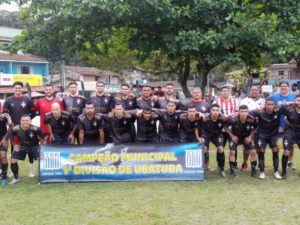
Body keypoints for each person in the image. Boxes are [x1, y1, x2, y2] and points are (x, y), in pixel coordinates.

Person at [3, 81, 36, 177]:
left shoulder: (27, 99)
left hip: (26, 128)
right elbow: (5, 114)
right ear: (13, 89)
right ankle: (13, 172)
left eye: (19, 87)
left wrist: (27, 122)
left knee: (29, 147)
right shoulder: (8, 100)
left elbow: (33, 112)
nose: (17, 89)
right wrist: (9, 122)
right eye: (16, 88)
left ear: (22, 88)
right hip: (14, 129)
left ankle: (31, 170)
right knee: (14, 148)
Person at [250, 98, 283, 179]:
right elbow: (249, 112)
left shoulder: (278, 111)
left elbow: (288, 107)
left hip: (274, 135)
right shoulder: (260, 112)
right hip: (262, 134)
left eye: (272, 105)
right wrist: (258, 108)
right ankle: (262, 171)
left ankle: (276, 171)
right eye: (268, 104)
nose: (270, 106)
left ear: (274, 106)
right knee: (261, 151)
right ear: (265, 105)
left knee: (275, 150)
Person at [10, 114, 46, 184]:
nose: (25, 122)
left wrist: (42, 146)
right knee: (12, 160)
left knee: (41, 160)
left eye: (27, 120)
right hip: (22, 146)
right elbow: (10, 138)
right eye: (23, 120)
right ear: (20, 121)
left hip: (34, 146)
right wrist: (15, 145)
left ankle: (42, 178)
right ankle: (16, 178)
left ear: (30, 121)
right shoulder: (15, 128)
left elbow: (44, 137)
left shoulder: (36, 129)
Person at [225, 105, 258, 178]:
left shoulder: (252, 119)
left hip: (246, 137)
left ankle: (253, 171)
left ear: (248, 112)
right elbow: (225, 126)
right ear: (239, 112)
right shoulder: (233, 118)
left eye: (246, 111)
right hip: (235, 137)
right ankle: (232, 171)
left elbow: (256, 128)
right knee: (232, 152)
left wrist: (250, 136)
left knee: (253, 151)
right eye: (242, 111)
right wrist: (232, 135)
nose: (244, 113)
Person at [195, 104, 227, 177]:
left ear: (219, 111)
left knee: (221, 149)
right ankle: (204, 167)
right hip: (206, 134)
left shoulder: (222, 118)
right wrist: (198, 138)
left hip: (217, 134)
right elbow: (197, 128)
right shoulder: (205, 118)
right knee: (205, 149)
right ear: (210, 111)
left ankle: (221, 169)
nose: (215, 112)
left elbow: (226, 125)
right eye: (213, 110)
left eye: (217, 110)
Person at [239, 85, 265, 172]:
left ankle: (259, 164)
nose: (254, 91)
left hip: (260, 127)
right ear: (250, 91)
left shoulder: (263, 101)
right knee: (247, 148)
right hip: (248, 128)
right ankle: (245, 163)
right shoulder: (245, 100)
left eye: (256, 90)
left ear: (259, 91)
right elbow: (241, 112)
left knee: (259, 147)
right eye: (252, 90)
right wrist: (256, 110)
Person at [271, 81, 296, 169]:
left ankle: (289, 161)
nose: (283, 87)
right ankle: (277, 161)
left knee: (290, 145)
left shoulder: (293, 97)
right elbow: (270, 106)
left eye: (285, 86)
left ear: (288, 87)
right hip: (278, 124)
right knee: (278, 144)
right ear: (279, 87)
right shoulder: (274, 97)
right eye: (282, 86)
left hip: (290, 125)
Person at [214, 86, 239, 169]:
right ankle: (220, 164)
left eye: (227, 91)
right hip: (220, 128)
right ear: (221, 92)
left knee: (233, 147)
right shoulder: (216, 101)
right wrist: (222, 116)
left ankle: (233, 164)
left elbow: (237, 112)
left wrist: (228, 116)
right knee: (220, 146)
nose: (225, 92)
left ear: (230, 92)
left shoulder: (235, 101)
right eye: (224, 91)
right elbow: (213, 112)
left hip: (233, 128)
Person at [280, 94, 300, 179]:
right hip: (290, 131)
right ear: (295, 101)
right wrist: (289, 103)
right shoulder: (288, 109)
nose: (299, 102)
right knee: (286, 152)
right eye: (298, 100)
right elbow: (279, 108)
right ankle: (284, 171)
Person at [0, 113, 13, 186]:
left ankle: (4, 177)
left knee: (3, 156)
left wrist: (5, 138)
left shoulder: (4, 116)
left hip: (2, 139)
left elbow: (11, 126)